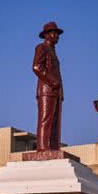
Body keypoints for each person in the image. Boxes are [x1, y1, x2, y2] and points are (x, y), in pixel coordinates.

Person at [32, 21, 64, 152]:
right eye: (54, 33)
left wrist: (61, 91)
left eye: (57, 33)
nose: (57, 35)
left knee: (56, 123)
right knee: (45, 120)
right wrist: (53, 82)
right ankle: (43, 148)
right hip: (46, 90)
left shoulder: (54, 53)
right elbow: (36, 67)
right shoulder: (42, 47)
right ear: (46, 35)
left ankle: (54, 148)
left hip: (56, 92)